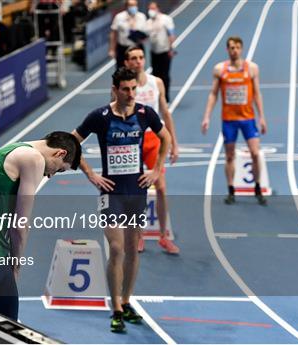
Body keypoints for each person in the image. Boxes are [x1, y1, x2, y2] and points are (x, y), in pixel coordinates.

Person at [73, 68, 170, 333]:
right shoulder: (100, 117)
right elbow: (72, 141)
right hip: (111, 192)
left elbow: (165, 138)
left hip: (136, 191)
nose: (130, 94)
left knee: (132, 247)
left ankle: (127, 301)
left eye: (133, 89)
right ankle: (115, 307)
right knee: (116, 249)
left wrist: (156, 169)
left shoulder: (144, 114)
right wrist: (91, 173)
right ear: (115, 89)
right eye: (125, 89)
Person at [0, 131, 81, 320]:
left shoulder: (12, 150)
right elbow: (20, 224)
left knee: (10, 330)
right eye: (59, 169)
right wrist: (17, 264)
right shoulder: (33, 158)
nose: (51, 175)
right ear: (59, 153)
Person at [124, 46, 179, 254]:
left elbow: (165, 112)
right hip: (132, 141)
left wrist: (174, 142)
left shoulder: (156, 83)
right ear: (127, 62)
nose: (138, 61)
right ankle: (138, 235)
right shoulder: (124, 86)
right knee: (137, 191)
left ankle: (164, 236)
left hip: (154, 140)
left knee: (162, 188)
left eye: (140, 57)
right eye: (133, 58)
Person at [201, 36, 267, 205]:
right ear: (227, 50)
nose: (234, 50)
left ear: (241, 49)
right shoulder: (220, 69)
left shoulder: (252, 68)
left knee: (255, 153)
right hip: (229, 120)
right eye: (231, 47)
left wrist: (262, 117)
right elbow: (213, 94)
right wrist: (207, 116)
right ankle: (231, 190)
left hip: (248, 119)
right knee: (229, 155)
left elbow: (257, 93)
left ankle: (258, 187)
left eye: (237, 47)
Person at [147, 2, 175, 102]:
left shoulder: (166, 19)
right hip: (154, 52)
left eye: (153, 8)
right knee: (154, 75)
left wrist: (171, 49)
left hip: (165, 51)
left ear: (158, 9)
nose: (151, 11)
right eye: (150, 8)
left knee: (164, 75)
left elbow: (171, 34)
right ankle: (157, 96)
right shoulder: (148, 22)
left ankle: (166, 96)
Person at [109, 0, 147, 69]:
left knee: (138, 70)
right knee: (121, 71)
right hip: (123, 49)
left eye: (135, 5)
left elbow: (145, 33)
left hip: (137, 47)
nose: (133, 7)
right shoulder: (119, 17)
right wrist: (112, 49)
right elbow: (113, 33)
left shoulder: (142, 17)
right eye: (131, 5)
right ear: (126, 6)